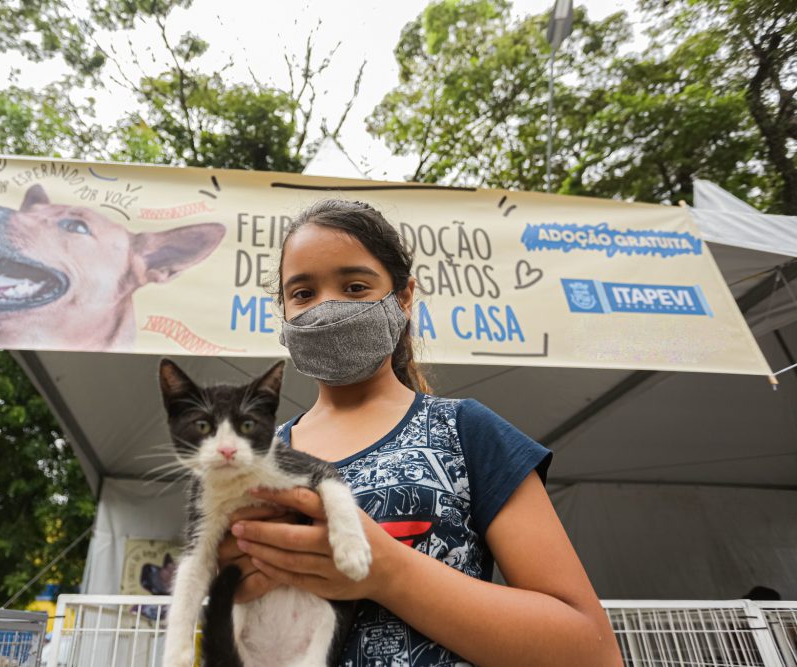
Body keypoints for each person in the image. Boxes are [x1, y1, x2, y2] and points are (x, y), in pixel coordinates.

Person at [217, 199, 623, 666]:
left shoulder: (466, 432)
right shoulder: (254, 460)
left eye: (354, 286)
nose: (327, 308)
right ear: (283, 314)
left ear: (404, 298)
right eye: (303, 293)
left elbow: (592, 651)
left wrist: (387, 572)